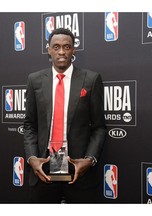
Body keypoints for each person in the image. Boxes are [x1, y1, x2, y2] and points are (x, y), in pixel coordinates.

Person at [24, 28, 107, 203]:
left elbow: (99, 127)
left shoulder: (91, 80)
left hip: (78, 170)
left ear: (73, 50)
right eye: (56, 47)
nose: (61, 52)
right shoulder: (35, 80)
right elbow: (30, 125)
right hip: (43, 168)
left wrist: (89, 160)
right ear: (48, 49)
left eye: (66, 46)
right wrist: (32, 159)